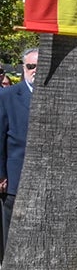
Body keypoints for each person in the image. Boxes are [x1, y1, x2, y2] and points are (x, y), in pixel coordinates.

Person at [0, 46, 34, 253]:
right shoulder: (8, 96)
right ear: (23, 67)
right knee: (11, 225)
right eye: (31, 66)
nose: (36, 70)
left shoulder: (59, 95)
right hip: (15, 174)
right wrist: (1, 174)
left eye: (41, 65)